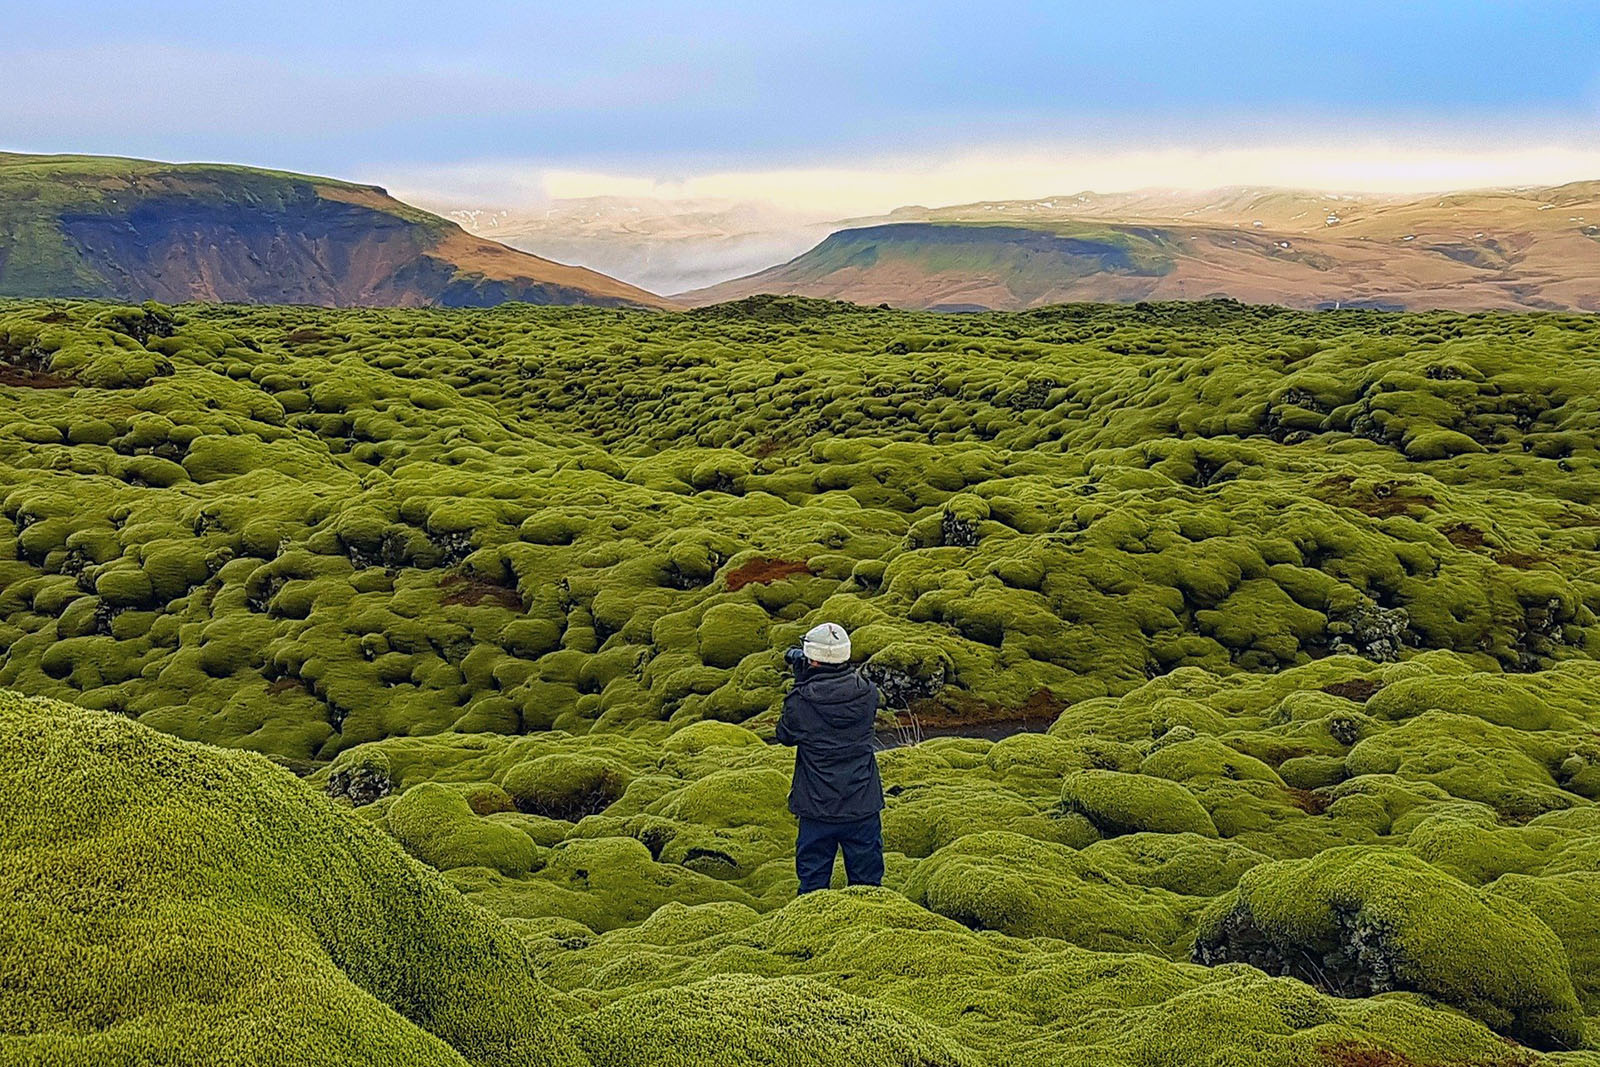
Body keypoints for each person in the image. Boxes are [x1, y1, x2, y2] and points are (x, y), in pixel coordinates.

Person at [776, 622, 884, 894]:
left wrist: (802, 681)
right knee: (868, 887)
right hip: (862, 800)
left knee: (812, 887)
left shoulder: (801, 701)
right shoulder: (868, 693)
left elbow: (785, 735)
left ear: (812, 659)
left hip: (816, 806)